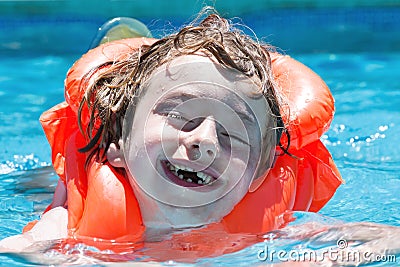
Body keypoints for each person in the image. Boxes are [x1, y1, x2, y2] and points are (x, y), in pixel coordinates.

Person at [0, 12, 343, 256]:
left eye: (232, 133)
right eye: (180, 114)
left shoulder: (281, 235)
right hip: (91, 172)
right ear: (116, 144)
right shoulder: (63, 234)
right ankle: (115, 76)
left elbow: (382, 243)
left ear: (258, 173)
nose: (205, 141)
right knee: (47, 183)